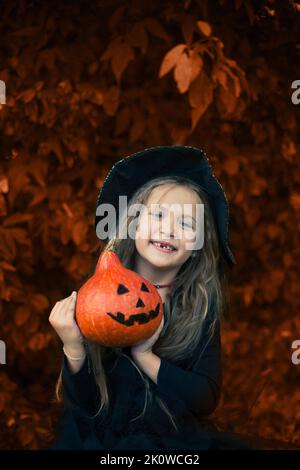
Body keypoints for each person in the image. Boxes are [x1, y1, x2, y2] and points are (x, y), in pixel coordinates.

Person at [48, 145, 255, 450]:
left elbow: (205, 398)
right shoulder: (101, 296)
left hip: (171, 443)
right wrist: (73, 347)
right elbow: (85, 404)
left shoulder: (198, 307)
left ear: (199, 243)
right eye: (158, 215)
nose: (169, 229)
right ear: (132, 224)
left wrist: (146, 357)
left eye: (186, 223)